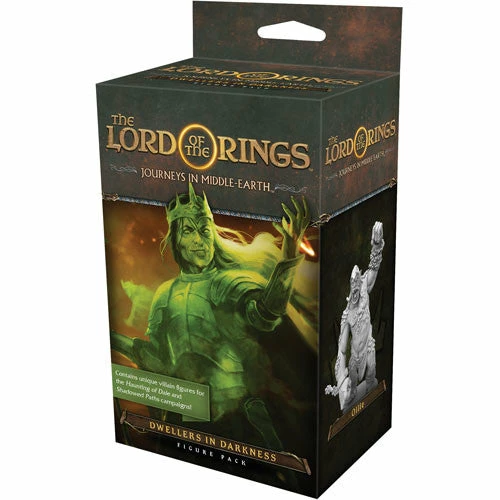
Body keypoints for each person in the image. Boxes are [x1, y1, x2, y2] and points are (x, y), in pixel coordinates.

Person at [111, 183, 309, 453]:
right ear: (176, 240)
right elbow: (158, 359)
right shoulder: (164, 295)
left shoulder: (227, 282)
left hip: (237, 418)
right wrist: (114, 341)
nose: (199, 240)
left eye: (205, 230)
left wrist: (289, 253)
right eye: (188, 231)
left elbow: (266, 314)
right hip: (188, 416)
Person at [325, 221, 384, 413]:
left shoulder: (365, 288)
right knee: (350, 393)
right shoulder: (346, 315)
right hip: (354, 359)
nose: (357, 289)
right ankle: (349, 395)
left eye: (358, 283)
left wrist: (376, 246)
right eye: (354, 286)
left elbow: (373, 268)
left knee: (371, 379)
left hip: (368, 346)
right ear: (351, 288)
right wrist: (340, 378)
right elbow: (342, 350)